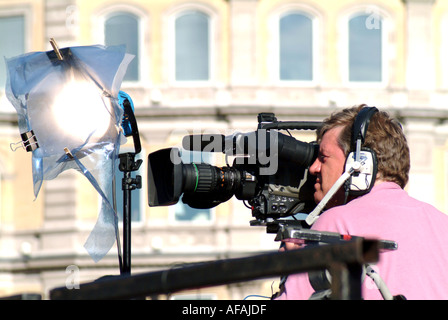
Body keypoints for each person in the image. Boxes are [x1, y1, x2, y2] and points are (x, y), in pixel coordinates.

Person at [275, 104, 448, 300]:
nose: (314, 168)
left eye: (323, 158)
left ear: (359, 165)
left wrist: (291, 267)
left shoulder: (336, 223)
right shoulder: (444, 224)